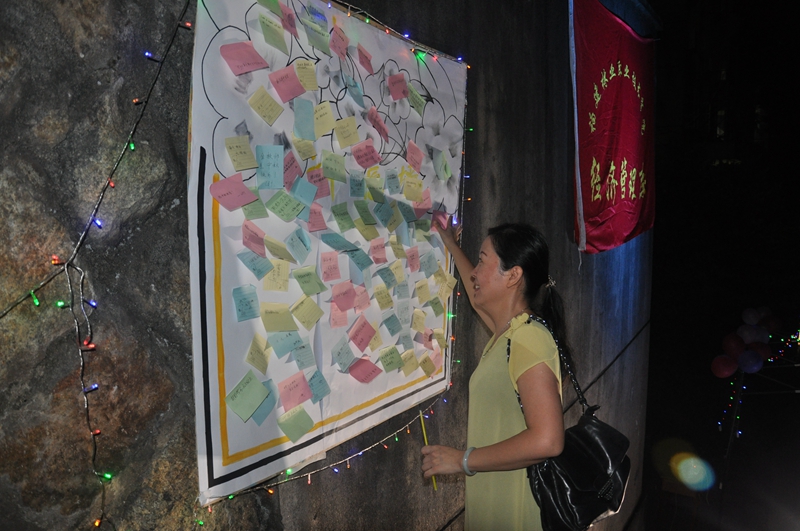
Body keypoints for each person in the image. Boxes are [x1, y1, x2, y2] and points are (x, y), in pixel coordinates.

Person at [421, 221, 575, 531]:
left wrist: (462, 460)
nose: (475, 273)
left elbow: (548, 440)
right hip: (495, 504)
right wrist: (451, 244)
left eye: (482, 261)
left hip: (517, 513)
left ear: (513, 275)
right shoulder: (508, 334)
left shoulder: (529, 338)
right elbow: (473, 289)